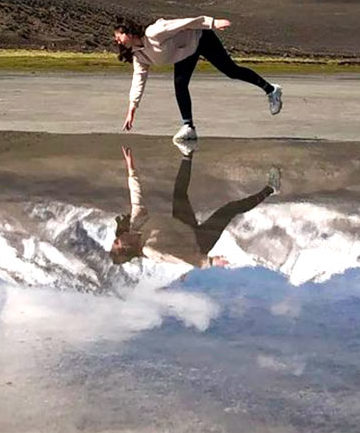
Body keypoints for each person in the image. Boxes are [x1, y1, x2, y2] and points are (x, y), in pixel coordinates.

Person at [113, 15, 282, 143]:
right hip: (184, 53)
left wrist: (212, 23)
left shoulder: (154, 32)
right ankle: (189, 127)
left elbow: (185, 22)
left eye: (118, 35)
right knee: (180, 84)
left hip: (201, 38)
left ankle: (271, 90)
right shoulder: (139, 55)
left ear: (128, 31)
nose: (117, 40)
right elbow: (138, 80)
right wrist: (132, 110)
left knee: (231, 71)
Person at [110, 145, 280, 268]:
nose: (117, 238)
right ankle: (271, 189)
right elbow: (181, 258)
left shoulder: (136, 225)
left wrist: (131, 169)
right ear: (125, 247)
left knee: (179, 193)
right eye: (117, 242)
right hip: (198, 242)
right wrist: (210, 262)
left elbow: (136, 198)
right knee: (230, 209)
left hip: (181, 224)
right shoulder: (152, 250)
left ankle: (188, 152)